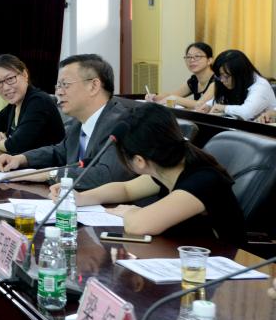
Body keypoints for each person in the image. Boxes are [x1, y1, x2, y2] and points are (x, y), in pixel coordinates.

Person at [52, 104, 245, 244]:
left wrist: (131, 212)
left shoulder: (203, 181)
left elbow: (138, 226)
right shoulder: (168, 167)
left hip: (221, 269)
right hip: (182, 257)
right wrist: (80, 197)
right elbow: (126, 189)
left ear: (139, 161)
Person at [0, 54, 135, 189]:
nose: (59, 93)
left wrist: (51, 174)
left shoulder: (122, 124)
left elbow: (106, 175)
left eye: (65, 85)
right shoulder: (78, 123)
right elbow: (60, 152)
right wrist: (21, 159)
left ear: (93, 86)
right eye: (58, 86)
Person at [0, 54, 64, 154]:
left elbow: (15, 146)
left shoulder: (39, 101)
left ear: (24, 75)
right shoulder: (14, 105)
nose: (5, 88)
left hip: (48, 164)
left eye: (10, 79)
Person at [197, 49, 276, 120]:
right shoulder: (235, 83)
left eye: (226, 76)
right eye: (219, 76)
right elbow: (222, 99)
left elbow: (246, 113)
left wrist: (224, 108)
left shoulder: (260, 86)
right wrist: (208, 105)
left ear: (240, 74)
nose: (222, 80)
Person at [145, 42, 215, 107]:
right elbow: (171, 95)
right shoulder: (194, 80)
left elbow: (200, 104)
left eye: (197, 56)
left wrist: (174, 99)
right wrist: (154, 97)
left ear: (209, 60)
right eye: (188, 57)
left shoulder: (217, 80)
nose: (192, 60)